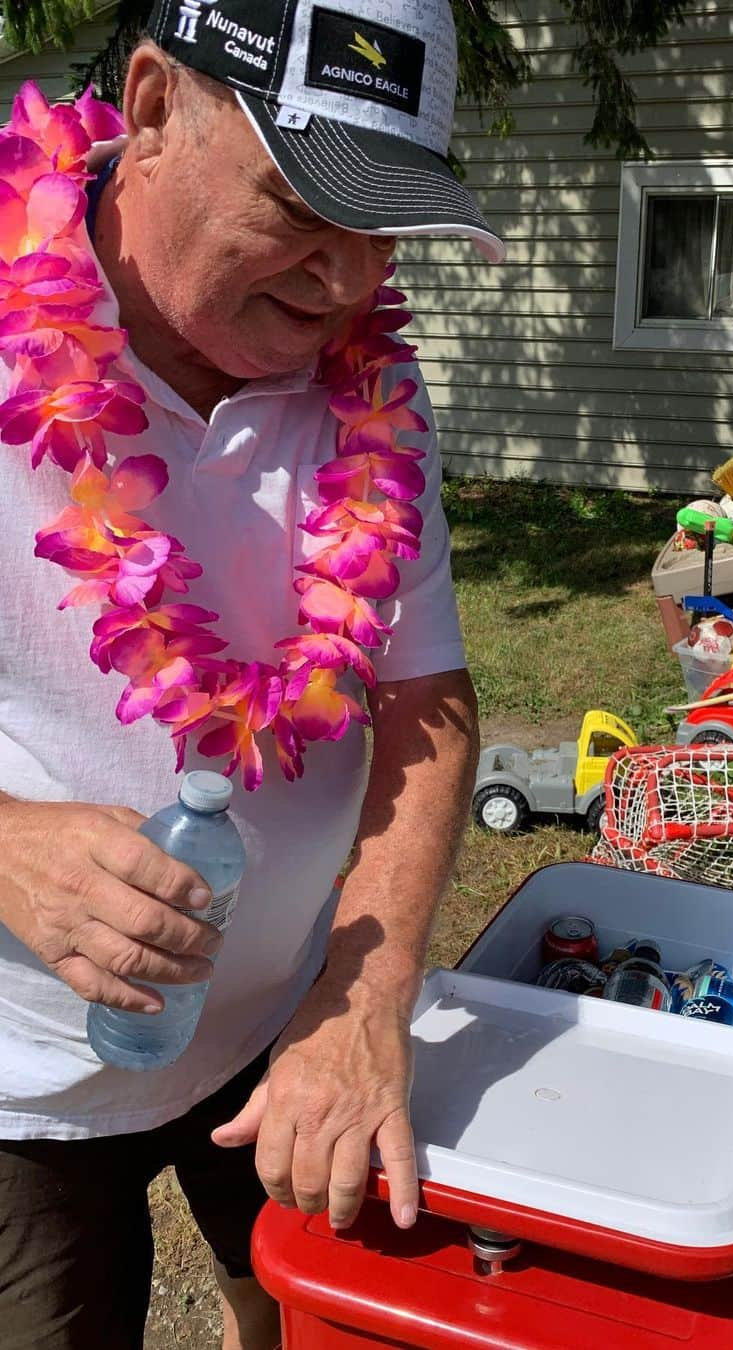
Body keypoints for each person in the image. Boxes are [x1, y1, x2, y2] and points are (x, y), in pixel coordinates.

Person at [0, 1, 504, 1346]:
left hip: (294, 1024)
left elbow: (428, 700)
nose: (347, 277)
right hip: (22, 1090)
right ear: (155, 107)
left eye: (383, 222)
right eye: (301, 205)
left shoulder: (372, 392)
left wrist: (363, 992)